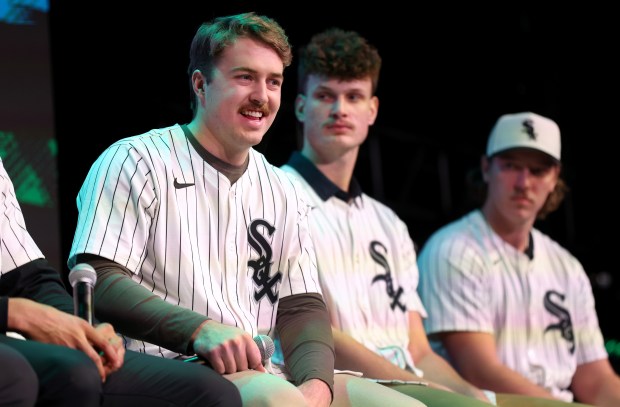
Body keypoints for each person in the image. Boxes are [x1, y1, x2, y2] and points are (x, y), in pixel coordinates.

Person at [67, 12, 419, 407]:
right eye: (245, 77)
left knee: (402, 406)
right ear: (201, 84)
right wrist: (198, 329)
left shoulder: (282, 187)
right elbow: (101, 277)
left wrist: (318, 384)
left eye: (274, 81)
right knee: (278, 400)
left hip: (264, 370)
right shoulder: (136, 158)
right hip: (167, 364)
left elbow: (300, 305)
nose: (262, 95)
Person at [279, 27, 503, 407]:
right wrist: (432, 394)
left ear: (372, 110)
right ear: (300, 107)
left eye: (354, 97)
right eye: (325, 96)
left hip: (407, 386)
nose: (340, 110)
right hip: (332, 383)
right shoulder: (277, 194)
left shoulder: (389, 224)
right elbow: (316, 333)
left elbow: (418, 350)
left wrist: (472, 396)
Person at [0, 158, 241, 407]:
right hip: (13, 340)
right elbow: (103, 274)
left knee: (210, 391)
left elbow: (26, 277)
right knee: (63, 373)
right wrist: (13, 313)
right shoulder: (131, 159)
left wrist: (84, 328)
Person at [417, 111, 620, 406]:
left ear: (554, 179)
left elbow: (596, 379)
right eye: (511, 166)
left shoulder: (568, 268)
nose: (524, 182)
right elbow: (480, 372)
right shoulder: (452, 248)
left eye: (538, 171)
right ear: (486, 168)